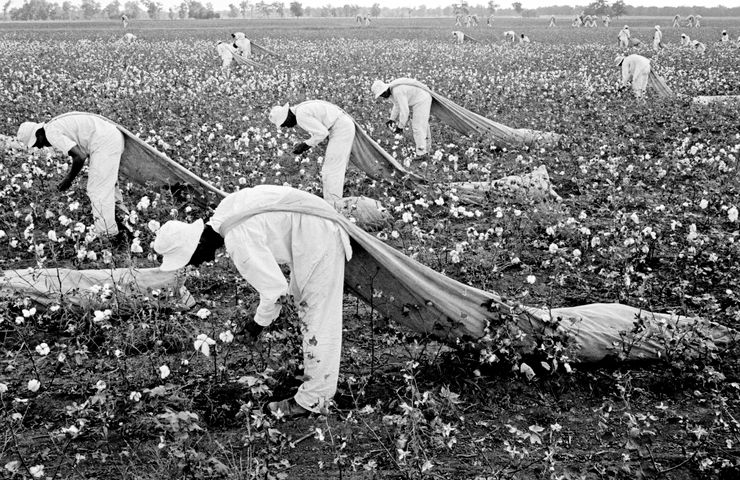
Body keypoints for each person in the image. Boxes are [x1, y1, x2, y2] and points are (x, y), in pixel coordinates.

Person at [153, 185, 353, 419]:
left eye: (191, 259)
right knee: (306, 306)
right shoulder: (224, 213)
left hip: (319, 232)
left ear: (196, 245)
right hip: (313, 226)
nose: (196, 264)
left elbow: (277, 292)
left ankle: (314, 400)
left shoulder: (237, 238)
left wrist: (256, 325)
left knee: (318, 317)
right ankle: (312, 373)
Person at [16, 113, 131, 242]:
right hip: (108, 138)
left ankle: (109, 237)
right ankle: (121, 228)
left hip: (104, 142)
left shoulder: (51, 133)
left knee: (98, 191)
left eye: (37, 143)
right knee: (105, 187)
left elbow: (80, 157)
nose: (40, 147)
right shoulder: (54, 125)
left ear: (39, 134)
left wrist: (68, 180)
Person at [268, 101, 355, 205]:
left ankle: (334, 204)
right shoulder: (301, 108)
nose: (287, 127)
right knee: (332, 168)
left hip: (341, 129)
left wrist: (305, 145)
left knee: (332, 169)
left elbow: (322, 133)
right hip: (340, 126)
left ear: (286, 117)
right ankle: (332, 201)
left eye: (284, 124)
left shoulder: (301, 116)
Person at [371, 78, 433, 160]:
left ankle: (421, 153)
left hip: (422, 100)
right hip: (420, 99)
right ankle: (426, 150)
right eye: (381, 95)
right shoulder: (393, 91)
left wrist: (400, 126)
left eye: (382, 94)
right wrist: (391, 119)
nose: (382, 96)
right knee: (422, 125)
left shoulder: (397, 91)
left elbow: (405, 111)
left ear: (385, 89)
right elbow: (397, 105)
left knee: (418, 127)